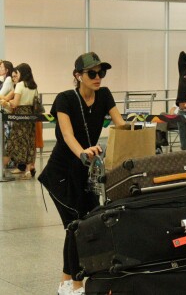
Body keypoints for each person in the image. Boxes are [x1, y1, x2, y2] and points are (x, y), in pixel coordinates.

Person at [38, 52, 125, 295]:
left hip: (86, 174)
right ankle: (75, 284)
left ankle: (66, 282)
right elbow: (67, 136)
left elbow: (120, 124)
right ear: (78, 76)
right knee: (77, 225)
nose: (98, 78)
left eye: (101, 73)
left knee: (82, 225)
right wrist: (84, 153)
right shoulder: (65, 99)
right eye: (92, 73)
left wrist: (140, 135)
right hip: (61, 173)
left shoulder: (104, 95)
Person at [1, 63, 37, 179]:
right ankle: (28, 169)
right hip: (30, 115)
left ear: (22, 73)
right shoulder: (33, 86)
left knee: (12, 143)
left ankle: (2, 167)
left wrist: (6, 103)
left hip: (20, 115)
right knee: (28, 142)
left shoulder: (20, 85)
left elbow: (15, 103)